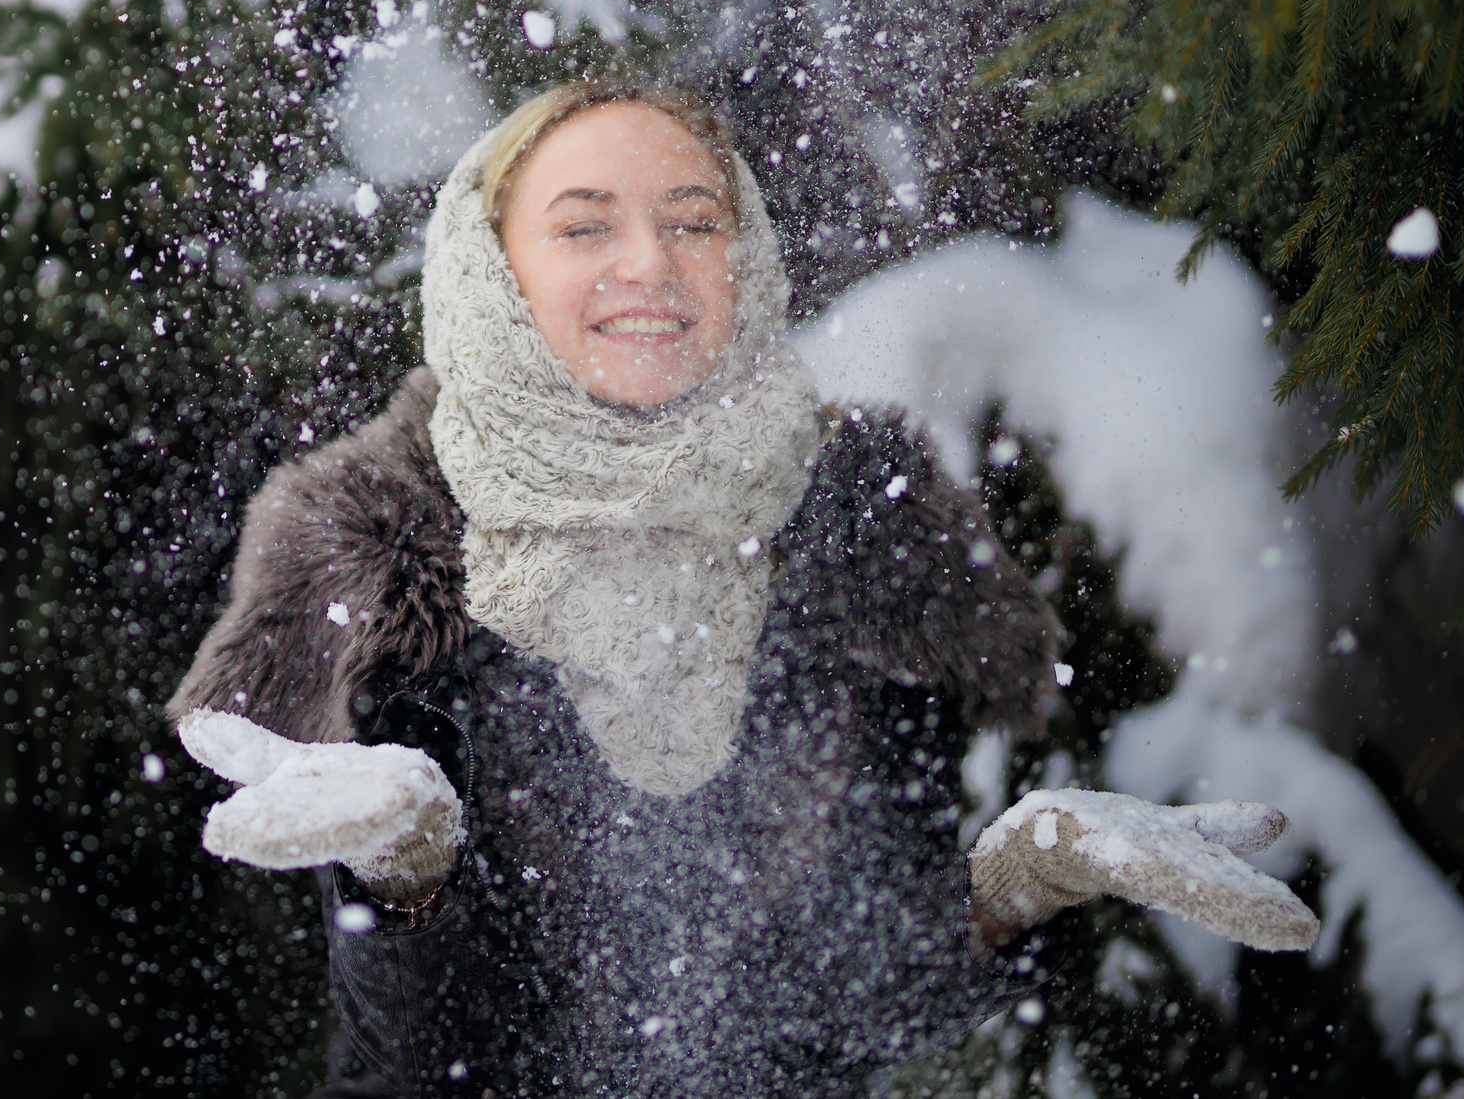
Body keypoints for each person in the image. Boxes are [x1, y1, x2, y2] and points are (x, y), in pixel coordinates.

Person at [168, 80, 1316, 1097]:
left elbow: (838, 1027)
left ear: (749, 259)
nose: (649, 262)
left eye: (692, 220)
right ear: (491, 271)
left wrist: (1009, 895)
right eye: (584, 226)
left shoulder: (866, 529)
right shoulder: (371, 561)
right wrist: (404, 886)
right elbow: (410, 1069)